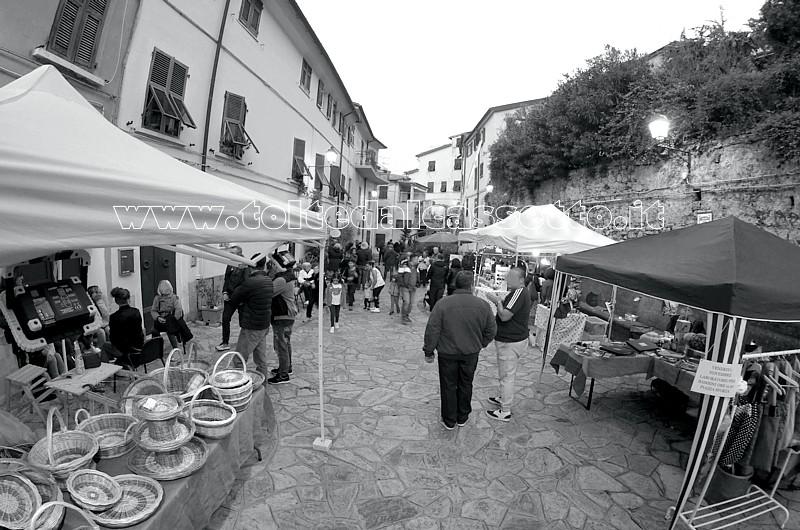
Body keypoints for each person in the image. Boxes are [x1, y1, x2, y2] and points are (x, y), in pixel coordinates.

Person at [424, 272, 496, 430]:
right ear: (471, 286)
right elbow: (491, 329)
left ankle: (449, 419)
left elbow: (432, 329)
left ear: (456, 284)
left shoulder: (443, 304)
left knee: (448, 384)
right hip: (470, 352)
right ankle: (462, 416)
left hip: (447, 352)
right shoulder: (483, 305)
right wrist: (480, 344)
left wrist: (429, 351)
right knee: (466, 383)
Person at [484, 267, 532, 422]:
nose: (507, 280)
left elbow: (504, 316)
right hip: (512, 339)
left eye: (511, 277)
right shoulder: (518, 292)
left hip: (511, 341)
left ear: (521, 280)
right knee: (506, 374)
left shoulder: (519, 292)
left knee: (506, 376)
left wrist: (497, 301)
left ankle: (505, 410)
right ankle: (503, 398)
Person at [229, 254, 274, 378]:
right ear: (264, 265)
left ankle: (239, 386)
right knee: (261, 360)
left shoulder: (251, 282)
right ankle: (263, 387)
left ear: (250, 265)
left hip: (251, 327)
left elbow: (234, 299)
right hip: (264, 325)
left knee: (238, 359)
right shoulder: (268, 280)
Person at [267, 249, 297, 384]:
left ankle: (283, 374)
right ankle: (287, 367)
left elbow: (267, 293)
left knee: (281, 345)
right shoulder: (288, 276)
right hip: (287, 314)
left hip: (282, 315)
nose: (271, 266)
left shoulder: (280, 280)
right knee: (286, 343)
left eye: (273, 264)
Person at [217, 246, 250, 351]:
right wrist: (225, 292)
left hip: (240, 297)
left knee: (242, 321)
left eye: (232, 252)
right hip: (230, 296)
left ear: (239, 254)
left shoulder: (245, 266)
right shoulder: (230, 263)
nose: (230, 254)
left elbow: (245, 283)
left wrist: (240, 297)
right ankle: (225, 342)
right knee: (225, 319)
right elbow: (226, 278)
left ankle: (245, 342)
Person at [100, 287, 144, 363]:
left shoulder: (114, 317)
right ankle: (121, 364)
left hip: (126, 351)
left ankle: (109, 368)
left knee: (104, 346)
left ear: (116, 301)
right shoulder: (136, 311)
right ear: (128, 299)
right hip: (139, 348)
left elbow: (113, 339)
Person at [150, 280, 183, 349]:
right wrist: (158, 318)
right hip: (161, 320)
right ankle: (159, 347)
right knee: (154, 330)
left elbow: (178, 309)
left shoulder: (174, 298)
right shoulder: (157, 298)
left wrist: (173, 320)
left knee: (170, 330)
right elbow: (153, 310)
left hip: (171, 320)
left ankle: (175, 349)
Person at [397, 254, 419, 324]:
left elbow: (417, 276)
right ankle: (404, 316)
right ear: (413, 259)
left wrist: (418, 283)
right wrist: (403, 284)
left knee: (411, 303)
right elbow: (399, 276)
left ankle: (407, 315)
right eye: (417, 259)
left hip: (413, 287)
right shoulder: (405, 266)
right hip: (405, 287)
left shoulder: (416, 267)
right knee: (406, 302)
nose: (418, 260)